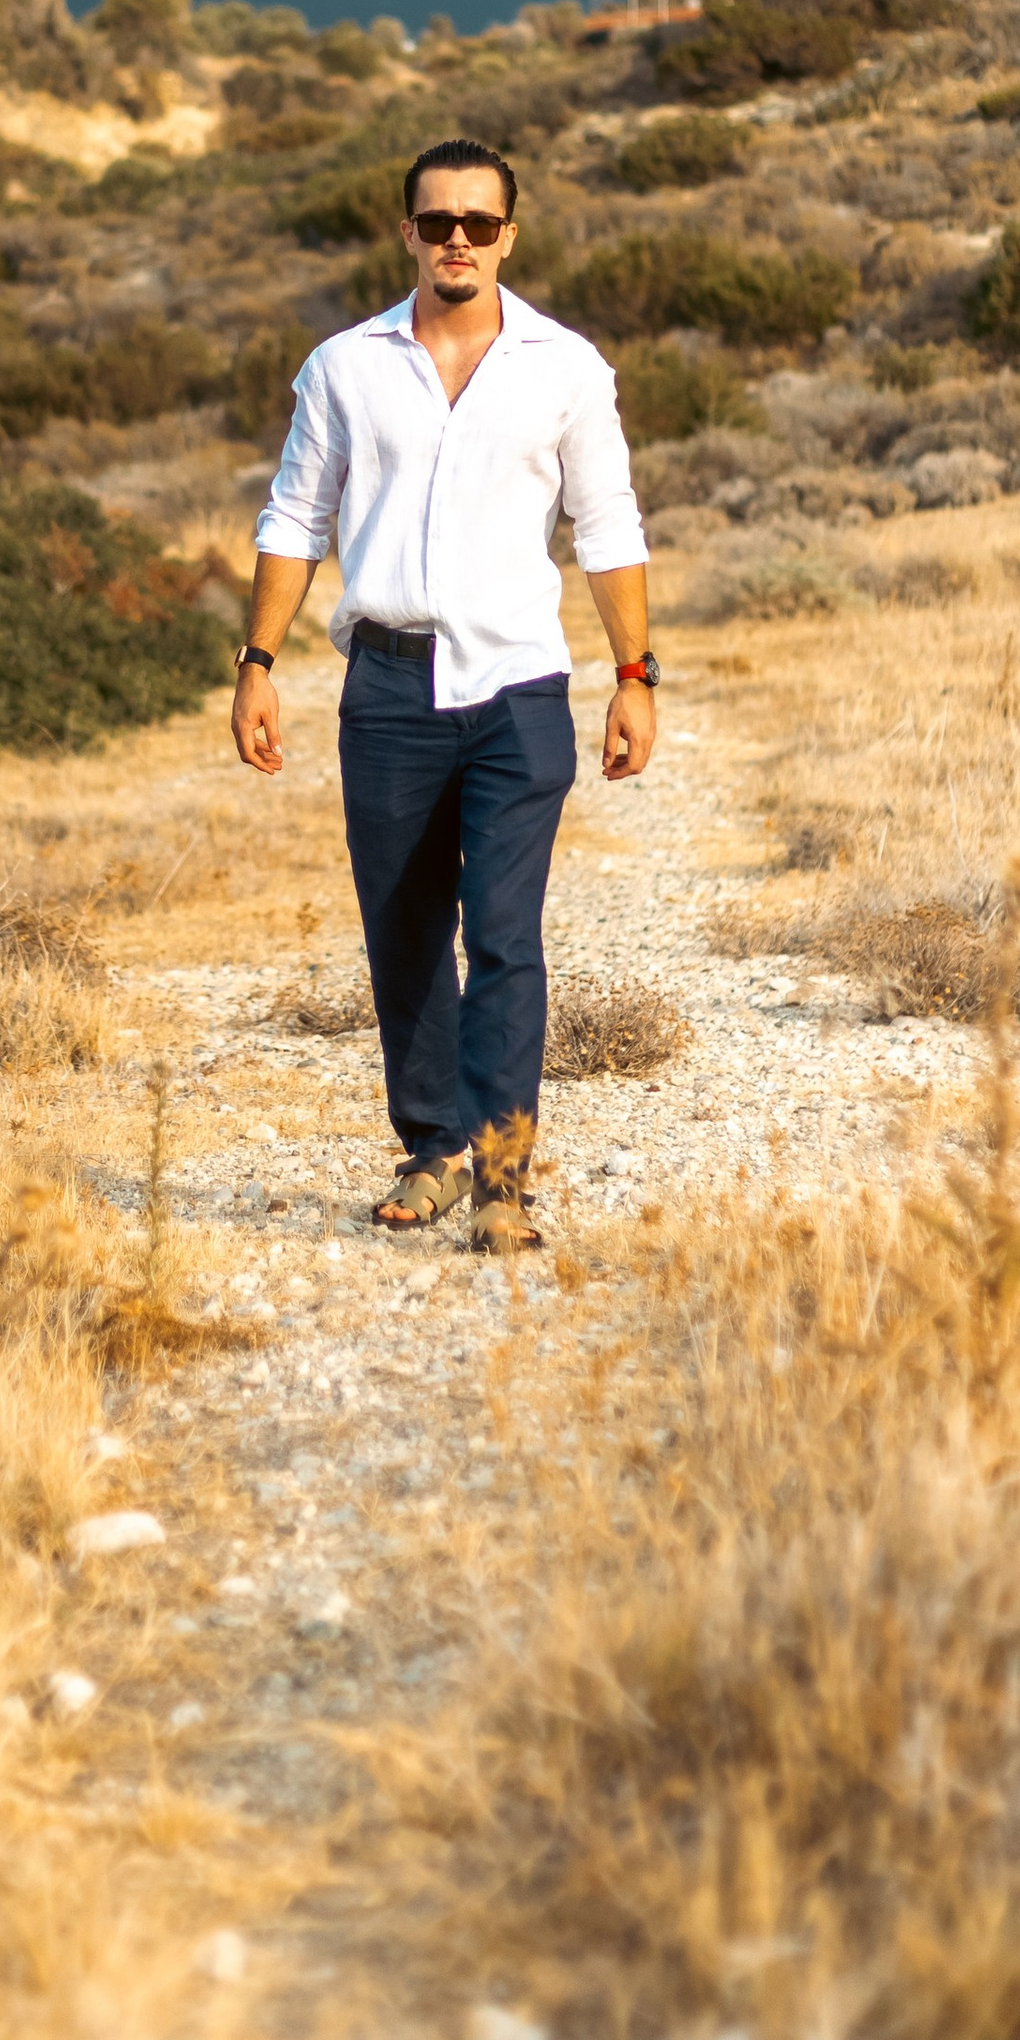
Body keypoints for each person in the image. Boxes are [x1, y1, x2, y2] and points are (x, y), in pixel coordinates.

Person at [229, 136, 656, 1254]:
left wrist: (635, 676)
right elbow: (292, 518)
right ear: (406, 233)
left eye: (478, 222)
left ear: (509, 234)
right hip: (386, 686)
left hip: (516, 688)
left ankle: (505, 1171)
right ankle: (435, 1151)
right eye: (436, 223)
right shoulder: (342, 367)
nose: (455, 239)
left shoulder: (564, 366)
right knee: (406, 930)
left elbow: (606, 525)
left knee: (505, 934)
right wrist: (257, 665)